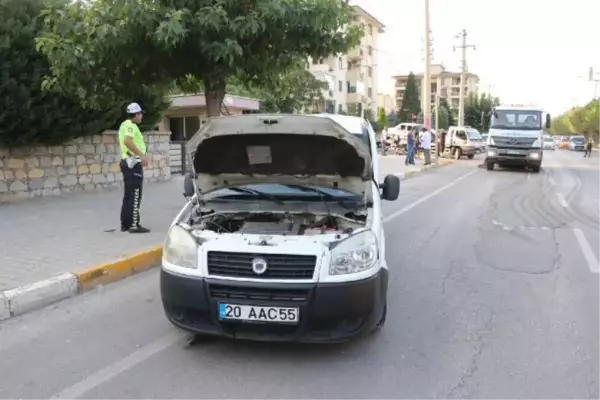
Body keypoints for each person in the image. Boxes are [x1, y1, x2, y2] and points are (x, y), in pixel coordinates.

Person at [118, 102, 151, 233]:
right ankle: (133, 225)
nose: (141, 116)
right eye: (140, 113)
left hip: (127, 162)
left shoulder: (124, 125)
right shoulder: (130, 126)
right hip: (133, 164)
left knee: (128, 194)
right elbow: (127, 141)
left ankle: (125, 223)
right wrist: (141, 155)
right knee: (136, 194)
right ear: (136, 114)